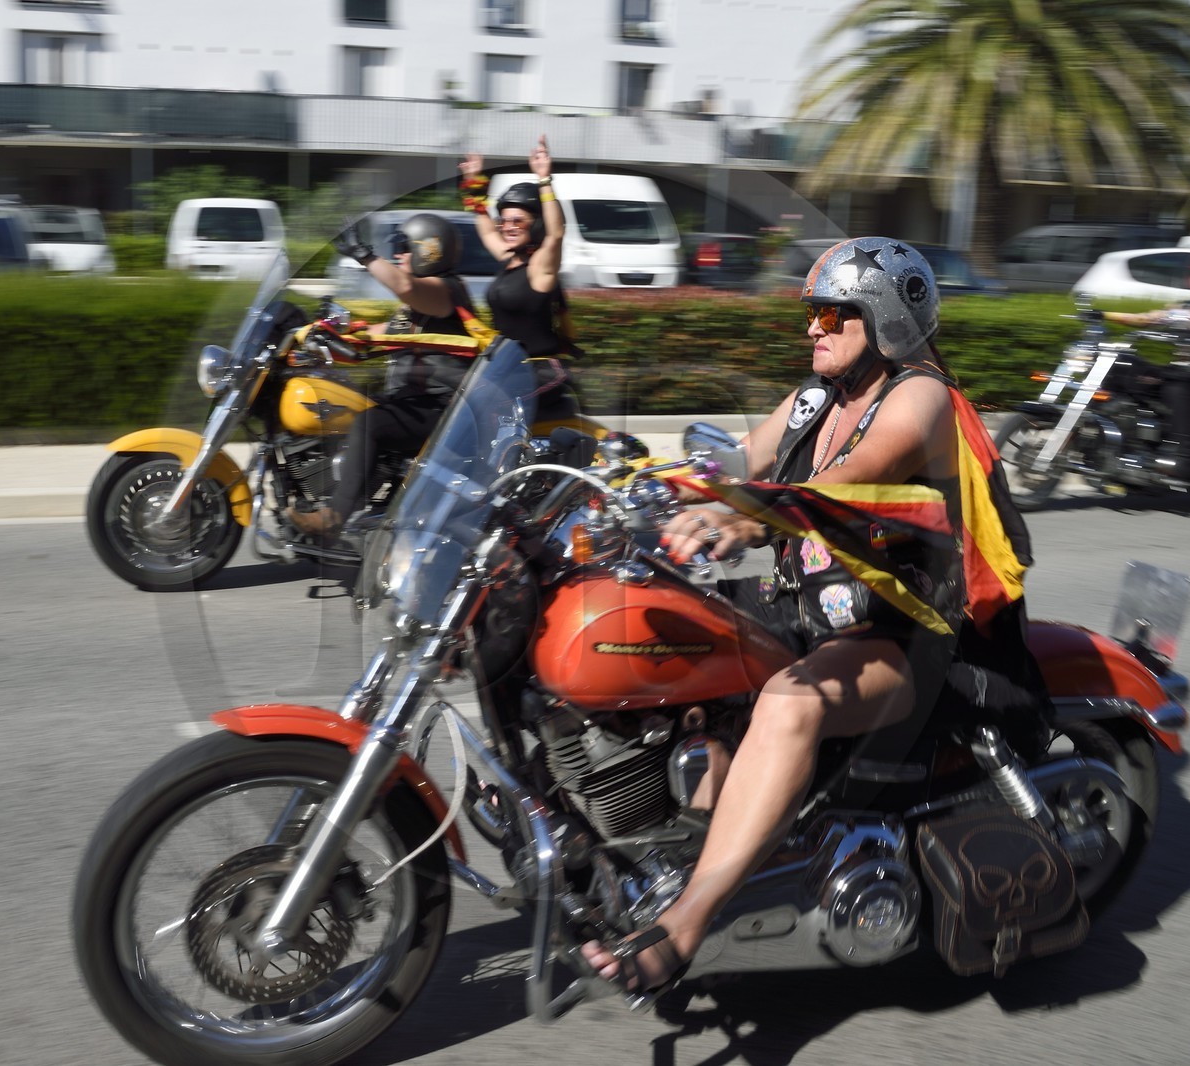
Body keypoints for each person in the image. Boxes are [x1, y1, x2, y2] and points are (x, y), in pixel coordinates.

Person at [579, 237, 984, 1001]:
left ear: (888, 318)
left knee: (791, 704)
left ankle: (685, 927)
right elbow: (734, 464)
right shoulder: (813, 401)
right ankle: (678, 844)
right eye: (811, 313)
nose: (813, 329)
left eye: (832, 313)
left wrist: (748, 521)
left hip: (899, 630)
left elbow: (848, 483)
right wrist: (634, 484)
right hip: (810, 613)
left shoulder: (920, 396)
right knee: (670, 644)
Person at [289, 212, 485, 538]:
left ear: (429, 249)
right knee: (341, 404)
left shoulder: (447, 291)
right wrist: (318, 337)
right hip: (413, 400)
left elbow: (406, 285)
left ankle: (335, 517)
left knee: (370, 424)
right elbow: (376, 334)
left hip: (445, 406)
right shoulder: (415, 308)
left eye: (404, 247)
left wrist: (364, 254)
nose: (398, 255)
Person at [1103, 247, 1190, 480]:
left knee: (1175, 386)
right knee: (1122, 365)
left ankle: (1184, 455)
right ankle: (1119, 436)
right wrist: (1103, 314)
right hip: (1183, 372)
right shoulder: (1185, 307)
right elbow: (1146, 319)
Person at [458, 136, 577, 359]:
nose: (508, 228)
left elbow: (556, 234)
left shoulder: (540, 268)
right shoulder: (508, 258)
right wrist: (474, 185)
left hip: (538, 371)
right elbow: (487, 231)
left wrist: (544, 179)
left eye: (518, 221)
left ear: (537, 224)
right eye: (503, 221)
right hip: (505, 369)